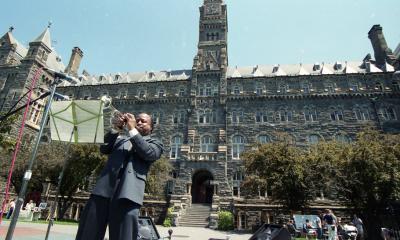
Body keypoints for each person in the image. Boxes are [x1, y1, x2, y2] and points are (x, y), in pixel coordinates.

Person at [75, 112, 163, 240]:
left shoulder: (155, 143)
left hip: (128, 194)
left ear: (151, 128)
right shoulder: (121, 139)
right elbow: (104, 148)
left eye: (143, 121)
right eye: (136, 120)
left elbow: (147, 153)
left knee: (124, 236)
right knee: (88, 232)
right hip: (103, 191)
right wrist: (116, 129)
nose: (138, 122)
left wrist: (132, 129)